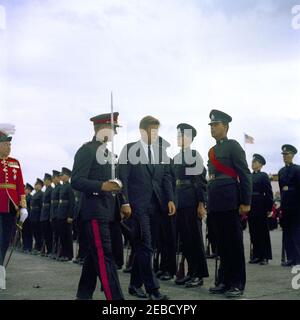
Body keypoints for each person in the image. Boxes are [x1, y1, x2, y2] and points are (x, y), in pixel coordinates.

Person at [119, 115, 176, 300]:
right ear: (142, 131)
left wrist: (170, 199)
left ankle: (135, 286)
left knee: (144, 247)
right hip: (137, 206)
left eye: (157, 130)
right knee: (145, 246)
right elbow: (123, 179)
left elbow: (166, 177)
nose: (155, 134)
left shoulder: (161, 153)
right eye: (152, 130)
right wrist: (125, 202)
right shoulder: (129, 150)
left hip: (157, 205)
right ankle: (153, 290)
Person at [71, 112, 124, 300]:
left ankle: (83, 296)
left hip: (108, 210)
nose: (115, 133)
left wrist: (121, 199)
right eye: (113, 129)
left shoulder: (109, 154)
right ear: (102, 129)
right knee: (104, 256)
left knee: (94, 258)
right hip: (93, 210)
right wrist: (101, 186)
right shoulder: (87, 150)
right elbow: (76, 180)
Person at [207, 110, 252, 298]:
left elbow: (244, 173)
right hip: (216, 202)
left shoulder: (233, 146)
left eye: (216, 125)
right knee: (222, 244)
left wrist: (245, 201)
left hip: (230, 200)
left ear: (226, 127)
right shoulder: (212, 150)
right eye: (211, 125)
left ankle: (237, 283)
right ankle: (224, 281)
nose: (213, 128)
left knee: (234, 244)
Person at [173, 123, 209, 287]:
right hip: (179, 200)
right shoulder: (176, 158)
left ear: (190, 139)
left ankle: (198, 274)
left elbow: (200, 182)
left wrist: (201, 204)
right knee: (185, 240)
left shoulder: (194, 155)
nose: (180, 138)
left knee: (195, 239)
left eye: (183, 136)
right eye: (179, 135)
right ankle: (190, 272)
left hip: (192, 200)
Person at [0, 124, 28, 290]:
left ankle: (0, 269)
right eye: (5, 144)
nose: (8, 147)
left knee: (5, 240)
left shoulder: (15, 162)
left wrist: (23, 207)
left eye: (10, 145)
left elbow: (20, 186)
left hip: (11, 207)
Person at [248, 154, 273, 265]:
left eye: (256, 162)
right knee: (253, 232)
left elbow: (268, 192)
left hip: (261, 206)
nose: (253, 164)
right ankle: (257, 255)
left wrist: (268, 207)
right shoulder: (249, 176)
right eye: (253, 162)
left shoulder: (263, 176)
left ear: (261, 165)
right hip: (251, 206)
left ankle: (265, 256)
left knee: (262, 232)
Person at [278, 144, 300, 266]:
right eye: (284, 155)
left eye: (287, 154)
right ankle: (290, 258)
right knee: (286, 233)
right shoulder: (281, 171)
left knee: (296, 233)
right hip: (285, 206)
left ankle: (298, 258)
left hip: (296, 207)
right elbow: (282, 190)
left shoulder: (297, 170)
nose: (285, 156)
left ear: (292, 155)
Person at [57, 167, 75, 262]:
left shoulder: (70, 186)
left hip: (66, 215)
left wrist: (70, 215)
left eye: (62, 175)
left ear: (67, 176)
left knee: (67, 236)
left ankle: (69, 255)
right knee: (62, 235)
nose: (61, 176)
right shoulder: (63, 186)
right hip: (61, 213)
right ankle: (63, 253)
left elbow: (72, 202)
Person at [40, 173, 53, 257]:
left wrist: (50, 215)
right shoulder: (46, 190)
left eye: (45, 180)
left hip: (48, 213)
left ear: (49, 181)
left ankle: (49, 250)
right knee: (45, 233)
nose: (44, 182)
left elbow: (51, 204)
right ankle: (46, 250)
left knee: (49, 234)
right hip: (44, 213)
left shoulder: (51, 189)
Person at [49, 170, 61, 259]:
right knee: (54, 234)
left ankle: (58, 252)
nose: (53, 179)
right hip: (53, 213)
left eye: (54, 178)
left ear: (58, 178)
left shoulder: (60, 187)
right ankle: (54, 251)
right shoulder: (54, 189)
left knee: (58, 234)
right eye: (52, 178)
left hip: (58, 213)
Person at [30, 178, 44, 255]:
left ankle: (39, 247)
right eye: (35, 184)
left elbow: (42, 206)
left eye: (37, 184)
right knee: (35, 232)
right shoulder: (34, 194)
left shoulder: (42, 194)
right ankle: (36, 246)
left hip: (38, 214)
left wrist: (40, 216)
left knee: (39, 232)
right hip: (33, 214)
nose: (36, 186)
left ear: (41, 186)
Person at [22, 183, 34, 253]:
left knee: (28, 233)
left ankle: (29, 247)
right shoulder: (23, 197)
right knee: (24, 232)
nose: (25, 190)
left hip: (28, 217)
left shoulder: (30, 197)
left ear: (29, 190)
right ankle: (25, 246)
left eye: (26, 189)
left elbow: (30, 208)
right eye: (25, 189)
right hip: (23, 217)